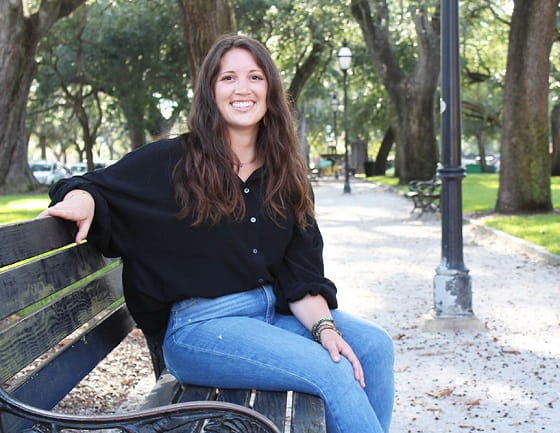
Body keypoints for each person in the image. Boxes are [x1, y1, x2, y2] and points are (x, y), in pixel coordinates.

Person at [40, 34, 394, 433]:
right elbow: (92, 186)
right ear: (211, 91)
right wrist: (82, 200)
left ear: (270, 90)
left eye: (255, 77)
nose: (242, 88)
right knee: (331, 372)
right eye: (228, 78)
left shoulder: (286, 173)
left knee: (374, 347)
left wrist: (325, 329)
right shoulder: (172, 162)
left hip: (273, 315)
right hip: (200, 330)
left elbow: (301, 276)